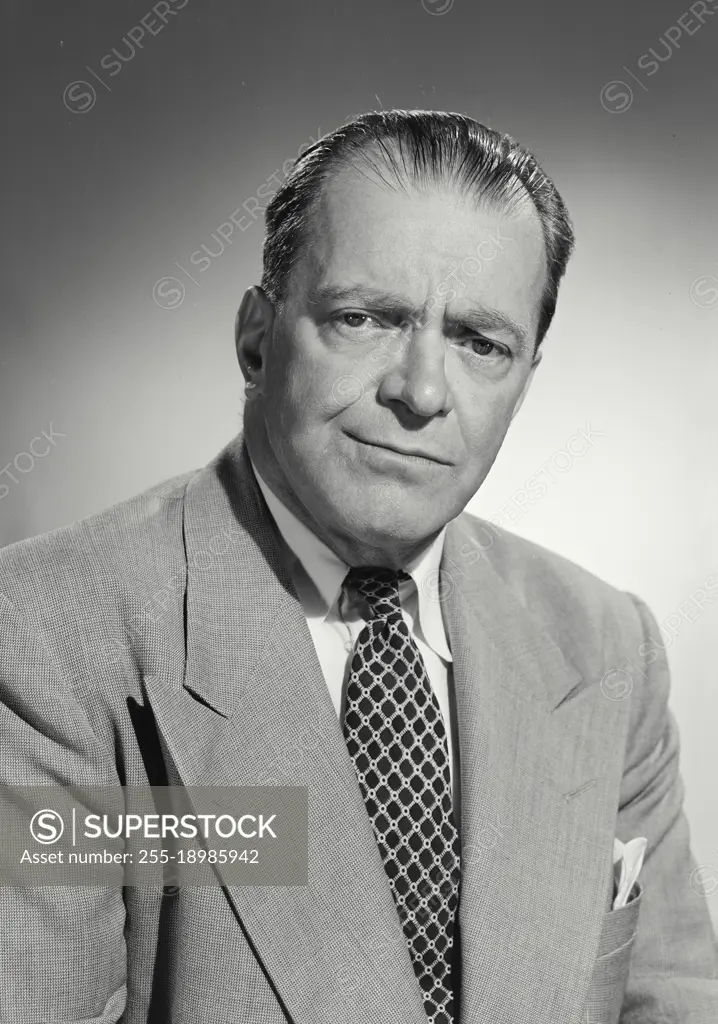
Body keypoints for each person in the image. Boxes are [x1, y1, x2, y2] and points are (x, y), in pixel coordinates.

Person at [1, 109, 716, 1024]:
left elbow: (676, 1002)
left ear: (526, 379)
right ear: (258, 339)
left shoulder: (607, 647)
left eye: (479, 343)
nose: (420, 392)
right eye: (366, 318)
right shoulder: (43, 639)